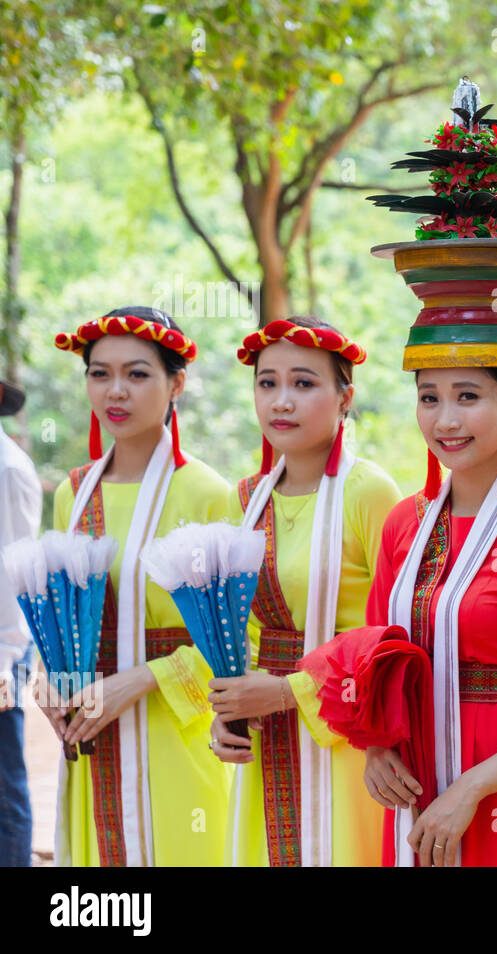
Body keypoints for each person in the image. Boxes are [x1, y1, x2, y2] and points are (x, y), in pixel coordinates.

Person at [304, 293, 497, 867]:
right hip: (412, 785)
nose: (444, 420)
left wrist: (472, 788)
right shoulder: (405, 522)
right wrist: (376, 747)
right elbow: (371, 655)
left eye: (468, 397)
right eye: (429, 399)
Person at [204, 317, 401, 866]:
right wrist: (225, 714)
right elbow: (236, 632)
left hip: (346, 734)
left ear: (346, 398)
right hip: (265, 734)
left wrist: (291, 691)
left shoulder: (370, 492)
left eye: (304, 383)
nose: (281, 401)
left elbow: (390, 633)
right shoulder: (242, 500)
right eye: (267, 383)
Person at [46, 306, 232, 866]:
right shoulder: (72, 493)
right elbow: (57, 610)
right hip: (92, 732)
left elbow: (237, 636)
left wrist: (140, 680)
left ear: (177, 382)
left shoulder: (209, 493)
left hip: (175, 730)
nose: (115, 391)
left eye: (137, 373)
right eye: (99, 373)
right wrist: (51, 683)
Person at [0, 376, 41, 867]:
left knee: (4, 782)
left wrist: (5, 663)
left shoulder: (8, 468)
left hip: (3, 642)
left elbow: (11, 572)